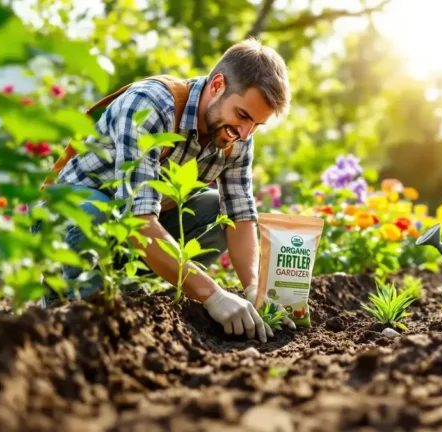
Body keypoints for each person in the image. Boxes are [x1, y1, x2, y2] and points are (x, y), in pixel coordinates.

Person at [40, 38, 295, 343]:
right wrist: (213, 295)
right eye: (242, 116)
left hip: (129, 232)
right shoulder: (149, 105)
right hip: (70, 219)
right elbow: (138, 220)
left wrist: (254, 289)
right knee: (96, 212)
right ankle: (64, 305)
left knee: (217, 216)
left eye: (256, 124)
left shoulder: (239, 135)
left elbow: (239, 216)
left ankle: (125, 296)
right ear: (216, 85)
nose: (245, 133)